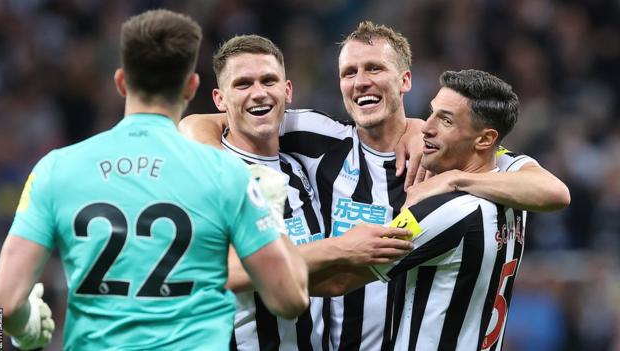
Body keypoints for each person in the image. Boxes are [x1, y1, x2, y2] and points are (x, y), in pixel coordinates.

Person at [180, 21, 570, 350]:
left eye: (374, 69)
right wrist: (214, 163)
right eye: (349, 73)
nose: (361, 81)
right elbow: (207, 123)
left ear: (405, 80)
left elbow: (551, 190)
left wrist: (453, 175)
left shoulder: (444, 157)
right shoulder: (316, 140)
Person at [0, 9, 309, 351]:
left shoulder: (55, 169)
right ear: (192, 87)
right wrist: (271, 215)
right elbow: (289, 299)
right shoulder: (227, 173)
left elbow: (2, 306)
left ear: (120, 82)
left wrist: (24, 328)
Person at [198, 34, 413, 351]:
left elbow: (320, 279)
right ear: (219, 99)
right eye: (243, 84)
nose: (258, 93)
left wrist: (416, 129)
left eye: (268, 80)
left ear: (287, 91)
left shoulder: (298, 169)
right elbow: (226, 271)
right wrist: (341, 248)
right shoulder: (211, 172)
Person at [313, 69, 531, 351]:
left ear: (485, 140)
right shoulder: (516, 198)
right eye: (432, 113)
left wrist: (257, 268)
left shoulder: (443, 211)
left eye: (446, 120)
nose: (425, 128)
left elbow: (337, 281)